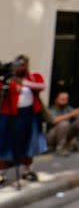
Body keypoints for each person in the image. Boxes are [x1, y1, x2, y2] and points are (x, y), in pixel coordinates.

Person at [0, 56, 47, 187]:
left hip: (29, 115)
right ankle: (1, 174)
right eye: (18, 64)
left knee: (29, 142)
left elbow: (42, 86)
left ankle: (27, 170)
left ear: (26, 65)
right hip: (9, 115)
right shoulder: (7, 79)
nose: (20, 67)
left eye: (23, 64)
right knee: (5, 143)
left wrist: (24, 83)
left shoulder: (34, 77)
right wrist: (7, 81)